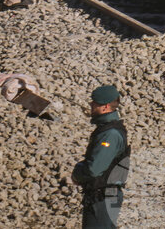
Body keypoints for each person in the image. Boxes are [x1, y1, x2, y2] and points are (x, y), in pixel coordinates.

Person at [71, 85, 130, 229]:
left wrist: (77, 173)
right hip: (104, 196)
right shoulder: (107, 130)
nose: (91, 105)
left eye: (95, 103)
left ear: (105, 107)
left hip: (103, 197)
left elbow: (94, 169)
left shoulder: (109, 134)